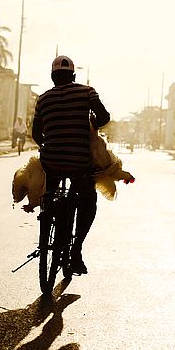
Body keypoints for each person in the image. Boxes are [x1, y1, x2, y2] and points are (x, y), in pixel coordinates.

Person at [31, 55, 110, 276]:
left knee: (51, 193)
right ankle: (76, 250)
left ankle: (50, 219)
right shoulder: (86, 92)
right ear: (73, 76)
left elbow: (36, 133)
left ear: (52, 77)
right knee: (88, 201)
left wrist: (50, 146)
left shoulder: (43, 99)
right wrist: (93, 121)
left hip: (51, 162)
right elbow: (104, 116)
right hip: (79, 163)